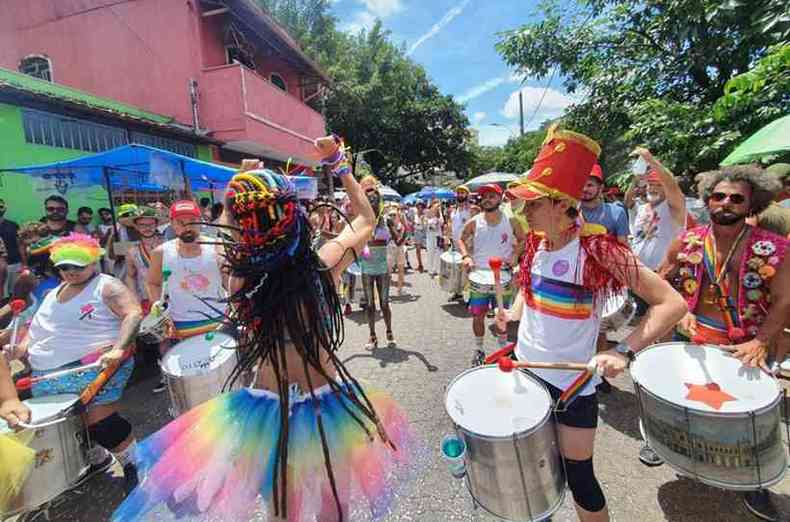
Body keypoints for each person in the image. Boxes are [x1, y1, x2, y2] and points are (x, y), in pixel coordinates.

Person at [112, 136, 416, 522]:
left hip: (264, 406)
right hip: (324, 401)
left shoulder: (237, 277)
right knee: (332, 506)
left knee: (278, 506)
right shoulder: (322, 267)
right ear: (294, 219)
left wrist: (236, 188)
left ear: (245, 224)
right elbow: (367, 219)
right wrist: (339, 163)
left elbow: (226, 233)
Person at [497, 126, 687, 522]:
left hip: (573, 384)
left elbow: (672, 304)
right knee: (529, 470)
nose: (523, 210)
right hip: (526, 373)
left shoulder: (599, 249)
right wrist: (512, 315)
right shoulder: (535, 242)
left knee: (579, 477)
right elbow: (527, 290)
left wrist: (622, 350)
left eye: (532, 203)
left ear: (559, 204)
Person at [655, 165, 790, 521]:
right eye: (719, 196)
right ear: (707, 200)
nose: (725, 203)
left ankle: (754, 484)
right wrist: (679, 311)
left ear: (751, 204)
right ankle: (667, 446)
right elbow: (661, 281)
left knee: (749, 418)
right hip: (695, 338)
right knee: (684, 400)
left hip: (746, 343)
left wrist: (761, 341)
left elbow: (785, 301)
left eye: (736, 198)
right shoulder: (688, 240)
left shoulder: (774, 248)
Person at [6, 233, 142, 490]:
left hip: (92, 366)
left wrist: (118, 349)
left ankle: (135, 462)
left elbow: (133, 313)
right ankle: (97, 459)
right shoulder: (52, 293)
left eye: (78, 266)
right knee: (71, 426)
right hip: (47, 375)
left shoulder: (106, 286)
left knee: (102, 424)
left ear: (92, 262)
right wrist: (20, 348)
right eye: (65, 266)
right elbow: (38, 329)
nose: (71, 271)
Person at [458, 184, 526, 365]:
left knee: (501, 316)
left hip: (502, 275)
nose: (487, 199)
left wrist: (515, 255)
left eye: (491, 196)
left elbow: (523, 240)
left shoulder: (511, 221)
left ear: (500, 197)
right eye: (484, 196)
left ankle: (501, 350)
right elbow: (461, 239)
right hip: (479, 275)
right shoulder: (475, 221)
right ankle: (479, 349)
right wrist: (466, 256)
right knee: (477, 316)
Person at [358, 176, 396, 348]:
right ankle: (372, 336)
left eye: (374, 197)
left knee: (385, 303)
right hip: (366, 267)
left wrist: (400, 230)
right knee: (370, 305)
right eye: (368, 197)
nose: (371, 199)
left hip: (382, 267)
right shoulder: (360, 221)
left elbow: (400, 240)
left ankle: (389, 333)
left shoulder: (386, 221)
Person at [580, 165, 629, 243]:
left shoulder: (617, 212)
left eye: (590, 185)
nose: (584, 189)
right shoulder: (567, 213)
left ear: (601, 188)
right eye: (581, 184)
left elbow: (623, 247)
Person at [448, 185, 472, 300]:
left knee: (468, 269)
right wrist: (448, 238)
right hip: (455, 243)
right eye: (459, 193)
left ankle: (471, 296)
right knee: (457, 268)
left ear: (467, 195)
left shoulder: (471, 209)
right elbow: (451, 224)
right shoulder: (454, 209)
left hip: (468, 244)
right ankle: (458, 293)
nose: (460, 195)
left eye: (463, 193)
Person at [0, 199, 22, 299]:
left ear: (5, 208)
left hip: (15, 264)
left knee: (15, 295)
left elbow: (20, 245)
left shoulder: (13, 225)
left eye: (0, 207)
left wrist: (24, 264)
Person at [412, 201, 427, 272]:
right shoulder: (414, 214)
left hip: (423, 233)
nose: (419, 208)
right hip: (416, 232)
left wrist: (422, 220)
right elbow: (412, 223)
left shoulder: (424, 215)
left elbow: (425, 226)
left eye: (421, 207)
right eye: (418, 207)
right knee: (417, 250)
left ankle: (430, 265)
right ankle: (420, 264)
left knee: (428, 249)